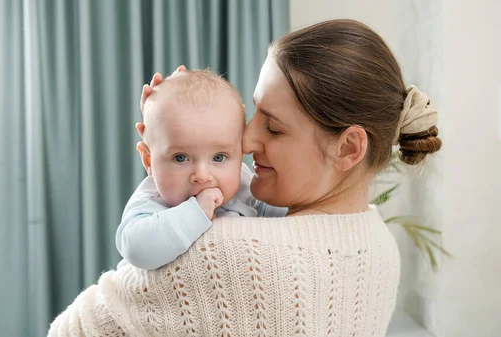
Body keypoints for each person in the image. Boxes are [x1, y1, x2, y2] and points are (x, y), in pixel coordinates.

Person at [48, 19, 442, 337]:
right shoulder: (378, 247)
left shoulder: (219, 252)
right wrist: (174, 135)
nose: (247, 140)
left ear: (349, 148)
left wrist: (165, 166)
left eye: (272, 128)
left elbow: (71, 330)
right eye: (249, 113)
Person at [116, 69, 286, 271]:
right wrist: (196, 213)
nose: (203, 176)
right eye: (180, 158)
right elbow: (136, 249)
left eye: (219, 157)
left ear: (240, 152)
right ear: (149, 161)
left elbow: (285, 218)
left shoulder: (243, 183)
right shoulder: (153, 200)